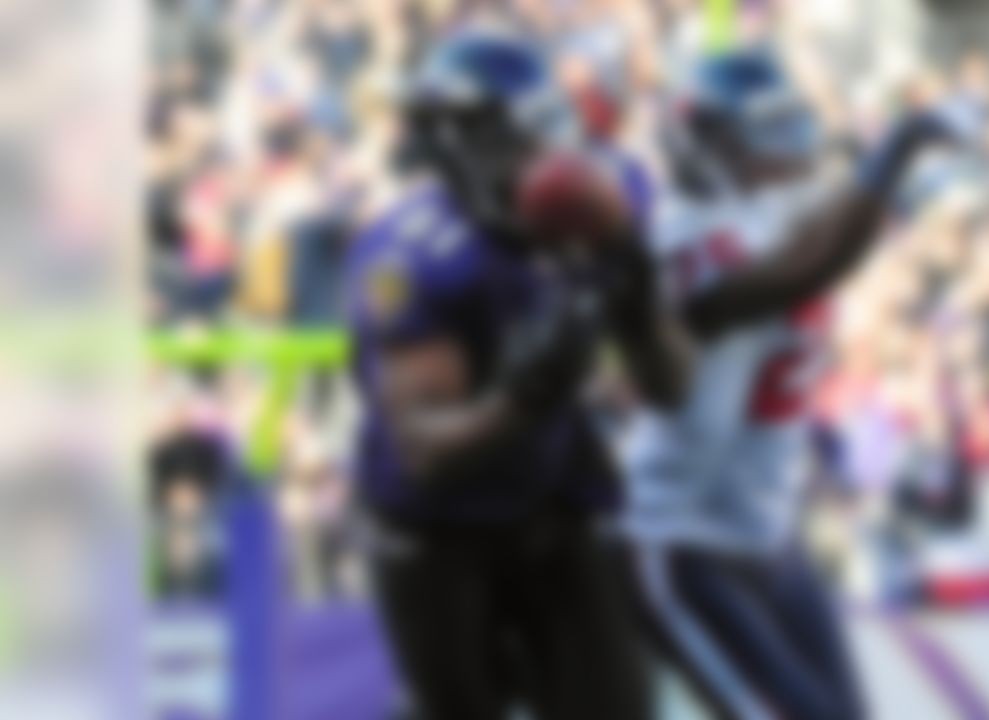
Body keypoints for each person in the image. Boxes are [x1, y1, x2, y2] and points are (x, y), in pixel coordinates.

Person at [613, 48, 954, 719]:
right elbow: (802, 272)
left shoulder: (773, 205)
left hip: (768, 536)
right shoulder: (688, 239)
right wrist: (893, 157)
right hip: (683, 541)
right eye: (766, 133)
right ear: (708, 145)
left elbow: (825, 231)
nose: (791, 148)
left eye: (789, 125)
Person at [344, 30, 655, 720]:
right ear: (459, 149)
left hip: (549, 493)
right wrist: (524, 396)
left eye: (550, 131)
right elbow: (422, 450)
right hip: (437, 526)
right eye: (521, 139)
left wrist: (642, 285)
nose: (547, 159)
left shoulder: (611, 188)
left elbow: (669, 378)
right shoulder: (414, 257)